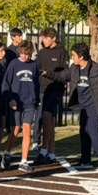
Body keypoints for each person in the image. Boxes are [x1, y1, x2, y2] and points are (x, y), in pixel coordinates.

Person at [61, 43, 98, 170]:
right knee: (84, 130)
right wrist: (48, 73)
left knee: (92, 129)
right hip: (84, 107)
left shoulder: (96, 68)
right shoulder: (74, 68)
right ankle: (86, 160)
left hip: (95, 106)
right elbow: (63, 75)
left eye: (74, 55)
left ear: (81, 57)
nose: (72, 57)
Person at [2, 39, 41, 172]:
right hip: (16, 103)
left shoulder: (34, 65)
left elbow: (36, 84)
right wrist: (10, 99)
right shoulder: (14, 64)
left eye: (27, 54)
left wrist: (36, 99)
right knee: (16, 129)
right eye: (22, 53)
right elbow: (6, 83)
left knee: (27, 130)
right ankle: (7, 153)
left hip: (29, 103)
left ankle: (24, 161)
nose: (24, 56)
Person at [36, 29, 68, 163]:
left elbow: (64, 73)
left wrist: (50, 74)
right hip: (42, 90)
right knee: (45, 120)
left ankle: (47, 151)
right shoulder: (41, 52)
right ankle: (48, 152)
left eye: (46, 38)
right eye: (42, 38)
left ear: (53, 38)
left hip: (55, 90)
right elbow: (37, 69)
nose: (43, 41)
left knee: (50, 120)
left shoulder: (62, 52)